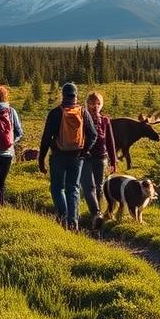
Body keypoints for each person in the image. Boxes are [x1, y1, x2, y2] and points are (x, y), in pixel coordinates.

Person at [38, 82, 97, 231]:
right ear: (76, 95)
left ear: (63, 95)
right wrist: (84, 151)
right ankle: (73, 222)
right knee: (73, 189)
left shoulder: (55, 113)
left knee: (57, 188)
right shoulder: (83, 112)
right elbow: (93, 135)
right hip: (77, 157)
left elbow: (46, 139)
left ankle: (63, 218)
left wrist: (41, 159)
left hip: (58, 156)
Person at [81, 91, 117, 231]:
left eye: (97, 103)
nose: (94, 106)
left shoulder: (105, 120)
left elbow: (110, 142)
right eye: (91, 103)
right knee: (88, 186)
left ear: (101, 105)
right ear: (87, 104)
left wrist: (114, 161)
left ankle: (97, 214)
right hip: (86, 157)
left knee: (99, 186)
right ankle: (96, 213)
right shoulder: (82, 118)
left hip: (101, 157)